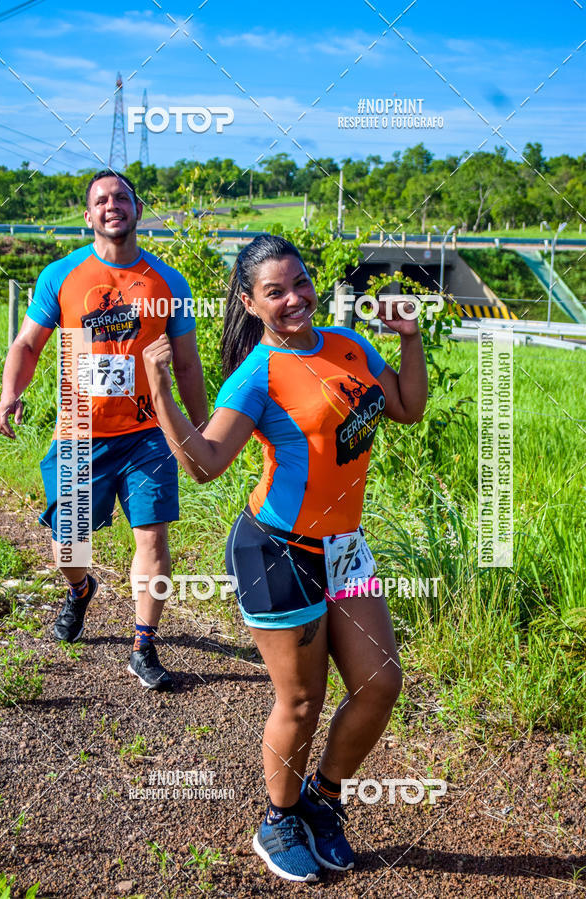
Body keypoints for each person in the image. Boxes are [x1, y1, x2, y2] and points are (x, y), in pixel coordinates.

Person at [143, 234, 428, 880]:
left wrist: (410, 340)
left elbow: (408, 408)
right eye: (275, 291)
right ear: (250, 302)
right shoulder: (257, 375)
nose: (295, 298)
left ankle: (323, 799)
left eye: (300, 282)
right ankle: (278, 819)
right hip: (277, 550)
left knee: (380, 684)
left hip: (344, 547)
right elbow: (206, 464)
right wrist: (160, 391)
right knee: (302, 699)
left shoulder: (349, 345)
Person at [0, 170, 208, 692]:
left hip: (148, 432)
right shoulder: (61, 276)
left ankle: (143, 645)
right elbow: (27, 344)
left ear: (137, 210)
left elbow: (187, 363)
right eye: (101, 200)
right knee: (68, 546)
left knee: (152, 535)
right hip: (78, 429)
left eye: (121, 198)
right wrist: (9, 394)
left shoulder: (168, 283)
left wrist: (201, 427)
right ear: (89, 215)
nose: (113, 205)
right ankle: (80, 589)